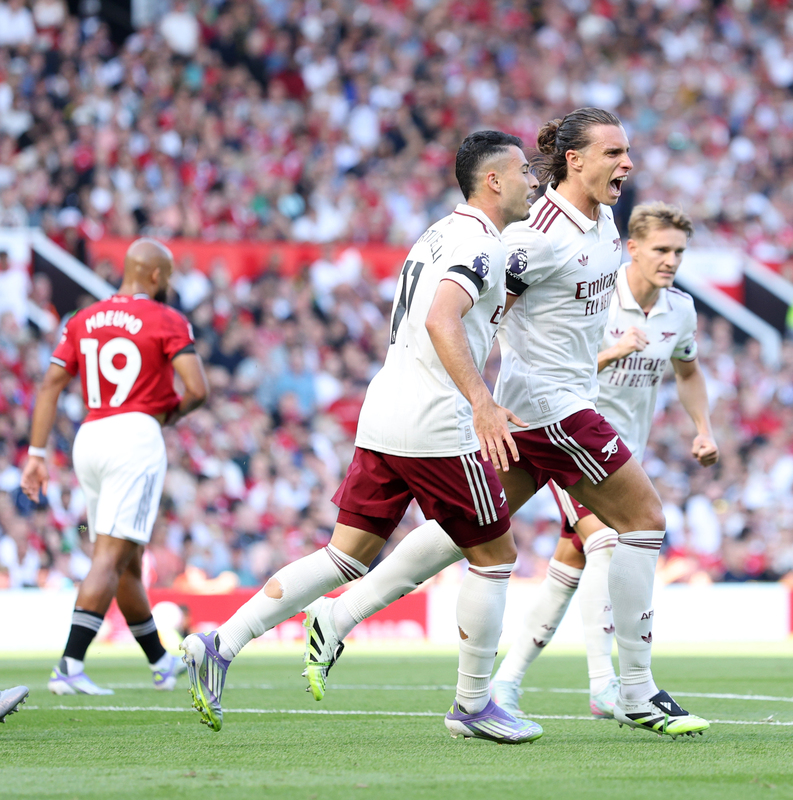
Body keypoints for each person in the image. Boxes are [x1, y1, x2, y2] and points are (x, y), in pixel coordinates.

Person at [307, 108, 710, 738]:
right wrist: (476, 397)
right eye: (612, 153)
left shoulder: (602, 220)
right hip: (552, 408)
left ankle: (339, 616)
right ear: (574, 160)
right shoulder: (536, 236)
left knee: (464, 531)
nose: (626, 163)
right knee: (643, 520)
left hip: (542, 406)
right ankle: (634, 690)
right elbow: (481, 311)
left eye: (627, 152)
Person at [180, 131, 544, 743]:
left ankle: (220, 644)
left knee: (345, 555)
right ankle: (474, 705)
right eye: (525, 173)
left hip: (385, 411)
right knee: (495, 555)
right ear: (494, 182)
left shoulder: (436, 232)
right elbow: (439, 316)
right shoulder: (479, 244)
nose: (534, 181)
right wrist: (482, 401)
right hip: (436, 422)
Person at [490, 202, 718, 719]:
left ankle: (506, 681)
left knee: (569, 567)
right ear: (632, 247)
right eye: (661, 249)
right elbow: (549, 361)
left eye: (679, 251)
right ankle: (606, 685)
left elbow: (688, 372)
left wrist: (703, 429)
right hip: (562, 439)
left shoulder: (679, 309)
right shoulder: (591, 292)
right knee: (609, 540)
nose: (671, 260)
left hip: (620, 456)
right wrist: (610, 353)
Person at [20, 239, 209, 695]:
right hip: (134, 438)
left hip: (91, 434)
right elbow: (197, 389)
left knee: (126, 559)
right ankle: (68, 666)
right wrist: (167, 415)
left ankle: (160, 662)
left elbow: (50, 385)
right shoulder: (166, 318)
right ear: (158, 276)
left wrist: (37, 454)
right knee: (109, 556)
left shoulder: (82, 318)